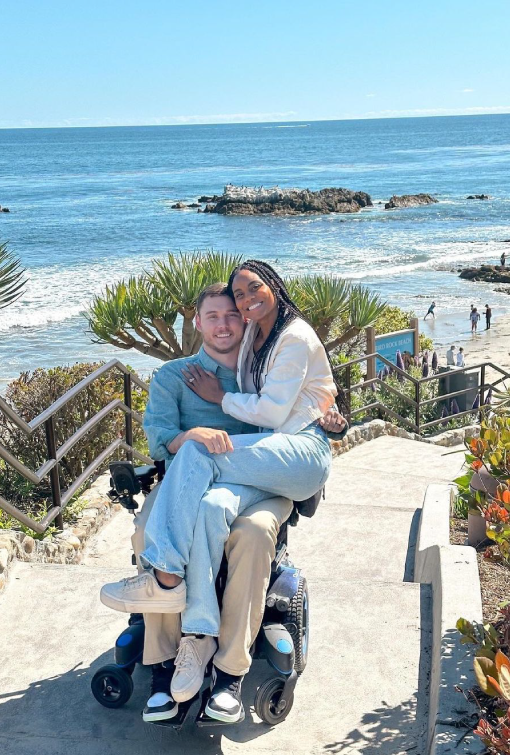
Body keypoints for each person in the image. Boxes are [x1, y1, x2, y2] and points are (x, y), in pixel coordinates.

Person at [103, 261, 345, 720]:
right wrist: (187, 437)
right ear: (196, 323)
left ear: (246, 319)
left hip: (258, 484)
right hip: (189, 482)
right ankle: (164, 664)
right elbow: (159, 438)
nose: (223, 324)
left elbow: (305, 407)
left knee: (252, 536)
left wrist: (332, 421)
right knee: (146, 531)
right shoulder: (175, 375)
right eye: (212, 316)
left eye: (231, 315)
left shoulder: (261, 368)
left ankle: (230, 668)